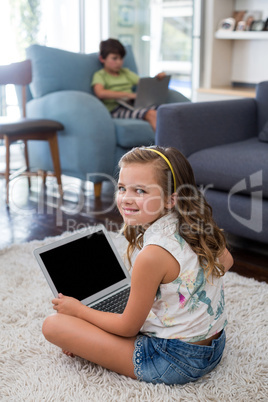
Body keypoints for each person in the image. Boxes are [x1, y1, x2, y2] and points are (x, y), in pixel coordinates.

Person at [42, 146, 233, 385]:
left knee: (54, 325)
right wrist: (186, 287)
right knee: (104, 316)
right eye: (122, 188)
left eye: (140, 191)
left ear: (170, 199)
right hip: (214, 345)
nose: (126, 198)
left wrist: (78, 310)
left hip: (175, 361)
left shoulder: (152, 255)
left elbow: (127, 328)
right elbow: (226, 261)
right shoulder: (196, 225)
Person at [91, 38, 166, 131]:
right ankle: (164, 144)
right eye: (114, 58)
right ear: (102, 59)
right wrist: (128, 95)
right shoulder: (100, 75)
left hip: (132, 105)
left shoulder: (125, 73)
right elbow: (100, 93)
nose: (119, 62)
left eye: (121, 59)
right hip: (115, 109)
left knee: (165, 110)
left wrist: (157, 79)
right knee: (151, 113)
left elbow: (144, 84)